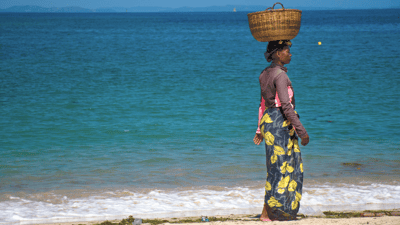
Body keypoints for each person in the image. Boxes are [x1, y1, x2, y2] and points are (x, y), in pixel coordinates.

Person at [253, 40, 309, 221]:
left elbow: (263, 104)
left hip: (268, 122)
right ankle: (272, 212)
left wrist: (259, 129)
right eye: (287, 51)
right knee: (287, 168)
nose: (290, 54)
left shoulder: (264, 73)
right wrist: (301, 131)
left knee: (275, 169)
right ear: (278, 54)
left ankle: (271, 212)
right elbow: (285, 105)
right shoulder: (281, 76)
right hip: (280, 124)